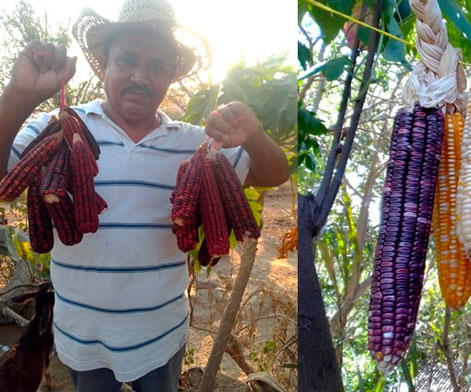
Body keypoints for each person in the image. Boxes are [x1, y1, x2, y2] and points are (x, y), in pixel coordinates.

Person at [0, 0, 289, 390]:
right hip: (83, 335)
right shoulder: (57, 131)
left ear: (171, 74)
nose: (140, 75)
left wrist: (252, 134)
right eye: (127, 60)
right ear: (104, 62)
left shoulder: (196, 144)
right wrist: (19, 94)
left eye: (156, 66)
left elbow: (274, 174)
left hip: (161, 334)